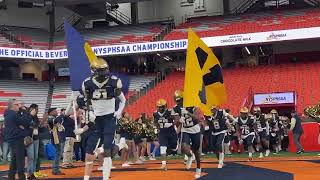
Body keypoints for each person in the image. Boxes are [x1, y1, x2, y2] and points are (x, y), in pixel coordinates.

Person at [82, 57, 126, 180]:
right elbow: (87, 101)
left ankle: (105, 178)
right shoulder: (87, 84)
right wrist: (90, 111)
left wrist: (118, 112)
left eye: (104, 70)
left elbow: (123, 100)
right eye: (100, 71)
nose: (103, 74)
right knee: (89, 151)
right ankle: (120, 145)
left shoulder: (114, 82)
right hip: (97, 119)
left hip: (109, 118)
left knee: (107, 151)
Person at [172, 90, 202, 179]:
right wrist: (177, 120)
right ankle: (189, 156)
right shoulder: (175, 108)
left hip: (195, 129)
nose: (178, 102)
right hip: (185, 130)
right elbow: (177, 120)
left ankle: (198, 168)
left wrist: (188, 113)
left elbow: (197, 118)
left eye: (180, 100)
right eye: (177, 100)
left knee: (196, 151)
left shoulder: (193, 105)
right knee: (184, 147)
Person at [5, 99, 35, 180]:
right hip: (17, 140)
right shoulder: (13, 115)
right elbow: (25, 122)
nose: (20, 106)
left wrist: (22, 128)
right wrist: (30, 114)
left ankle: (11, 178)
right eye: (18, 104)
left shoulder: (9, 114)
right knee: (20, 162)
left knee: (14, 162)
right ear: (13, 105)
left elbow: (21, 124)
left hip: (13, 140)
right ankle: (21, 177)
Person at [153, 99, 177, 170]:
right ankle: (163, 164)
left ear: (165, 106)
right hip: (162, 132)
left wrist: (171, 124)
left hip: (171, 132)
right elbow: (155, 122)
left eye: (162, 107)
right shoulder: (155, 113)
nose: (160, 108)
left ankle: (173, 149)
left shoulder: (170, 111)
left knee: (173, 147)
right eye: (159, 107)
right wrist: (156, 127)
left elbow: (176, 119)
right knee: (162, 148)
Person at [47, 108, 65, 175]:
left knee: (58, 153)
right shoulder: (50, 119)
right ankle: (55, 170)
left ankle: (56, 169)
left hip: (56, 138)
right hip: (55, 138)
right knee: (58, 154)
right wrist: (63, 114)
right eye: (54, 111)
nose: (56, 112)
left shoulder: (51, 119)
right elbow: (56, 121)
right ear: (51, 112)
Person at [25, 104, 40, 180]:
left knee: (35, 157)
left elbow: (37, 125)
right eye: (36, 109)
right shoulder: (27, 116)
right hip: (30, 138)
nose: (37, 111)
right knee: (31, 157)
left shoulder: (35, 117)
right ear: (32, 109)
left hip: (36, 138)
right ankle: (29, 173)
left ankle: (32, 173)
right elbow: (26, 124)